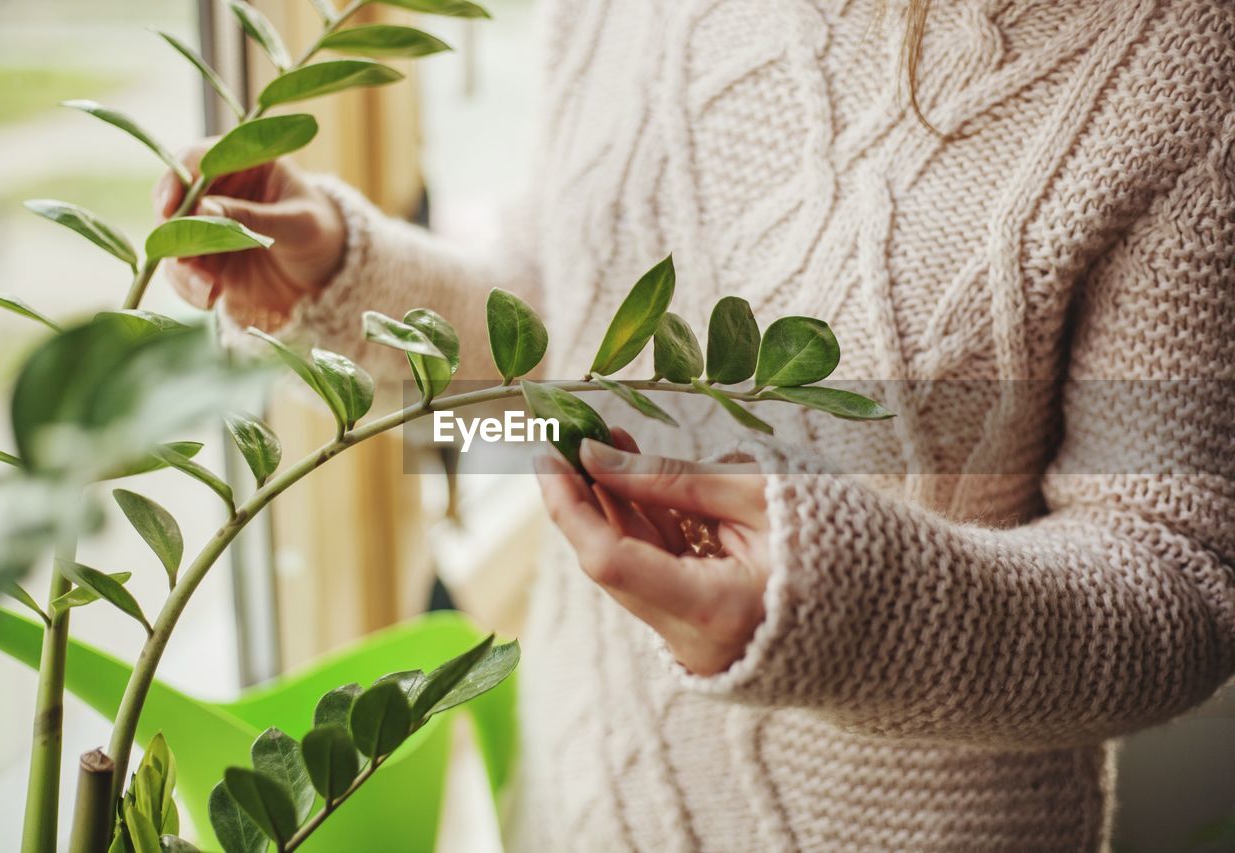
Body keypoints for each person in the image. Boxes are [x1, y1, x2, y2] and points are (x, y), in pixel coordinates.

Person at [159, 0, 1235, 848]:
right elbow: (566, 329)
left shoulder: (1181, 58)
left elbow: (1176, 570)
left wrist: (843, 606)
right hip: (581, 799)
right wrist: (349, 279)